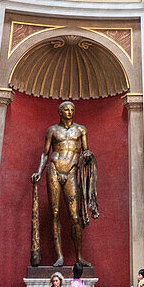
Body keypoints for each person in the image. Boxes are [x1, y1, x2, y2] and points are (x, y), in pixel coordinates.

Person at [31, 101, 97, 268]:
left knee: (75, 217)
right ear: (60, 112)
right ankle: (59, 256)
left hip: (72, 171)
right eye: (66, 109)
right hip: (54, 168)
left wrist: (88, 156)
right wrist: (39, 171)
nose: (69, 112)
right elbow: (45, 154)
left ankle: (79, 257)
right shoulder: (52, 131)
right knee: (54, 213)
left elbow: (85, 151)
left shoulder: (80, 130)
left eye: (71, 109)